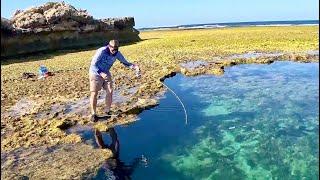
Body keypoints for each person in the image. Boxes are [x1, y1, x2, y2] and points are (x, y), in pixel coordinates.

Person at [89, 39, 140, 122]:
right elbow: (93, 65)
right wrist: (101, 73)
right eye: (113, 48)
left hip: (106, 72)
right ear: (109, 46)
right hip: (95, 73)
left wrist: (135, 67)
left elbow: (126, 63)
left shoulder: (117, 54)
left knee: (110, 90)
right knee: (94, 93)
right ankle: (93, 114)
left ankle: (107, 111)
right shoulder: (101, 51)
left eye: (116, 49)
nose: (114, 50)